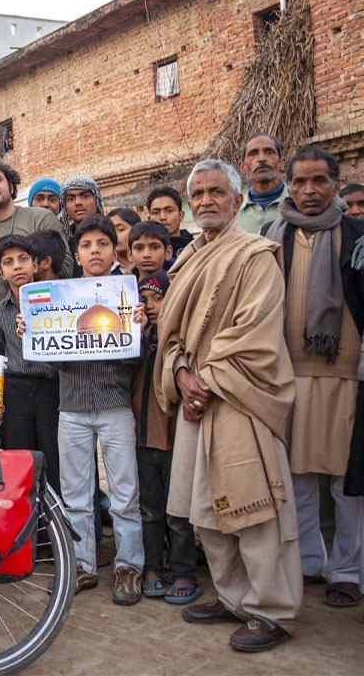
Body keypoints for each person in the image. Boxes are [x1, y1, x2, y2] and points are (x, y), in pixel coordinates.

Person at [154, 159, 301, 653]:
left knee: (251, 507)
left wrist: (204, 382)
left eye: (218, 191)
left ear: (237, 201)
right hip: (197, 395)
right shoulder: (189, 259)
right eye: (198, 194)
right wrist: (179, 375)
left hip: (240, 396)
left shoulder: (257, 255)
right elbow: (170, 335)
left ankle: (271, 609)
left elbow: (254, 333)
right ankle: (234, 598)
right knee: (204, 511)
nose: (206, 200)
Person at [17, 215, 145, 605]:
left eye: (102, 244)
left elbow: (139, 359)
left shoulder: (129, 294)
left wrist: (143, 327)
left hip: (115, 406)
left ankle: (128, 567)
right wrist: (33, 333)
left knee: (124, 495)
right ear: (77, 253)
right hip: (70, 407)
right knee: (75, 496)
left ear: (114, 250)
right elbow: (52, 358)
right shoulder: (59, 296)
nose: (94, 251)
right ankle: (82, 564)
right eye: (87, 245)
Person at [262, 146, 364, 609]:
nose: (308, 191)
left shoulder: (357, 234)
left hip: (347, 375)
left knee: (346, 481)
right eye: (299, 181)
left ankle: (346, 570)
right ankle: (308, 563)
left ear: (336, 184)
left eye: (319, 181)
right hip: (287, 375)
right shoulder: (270, 235)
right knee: (297, 478)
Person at [132, 271, 200, 605]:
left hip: (177, 439)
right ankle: (153, 567)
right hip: (143, 438)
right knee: (149, 509)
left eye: (158, 299)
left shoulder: (184, 338)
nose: (151, 306)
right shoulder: (132, 336)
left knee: (180, 512)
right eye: (144, 300)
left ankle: (185, 569)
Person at [0, 234, 59, 493]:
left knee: (53, 458)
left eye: (23, 259)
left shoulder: (57, 299)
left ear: (36, 264)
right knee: (19, 458)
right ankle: (26, 525)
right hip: (15, 389)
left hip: (51, 388)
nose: (17, 266)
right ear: (1, 272)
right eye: (8, 262)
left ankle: (55, 525)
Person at [0, 158, 71, 311]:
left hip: (39, 316)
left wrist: (11, 264)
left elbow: (66, 268)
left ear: (11, 187)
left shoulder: (41, 218)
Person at [237, 133, 288, 234]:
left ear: (281, 163)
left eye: (269, 152)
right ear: (242, 167)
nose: (261, 159)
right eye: (253, 154)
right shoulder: (234, 211)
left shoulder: (298, 203)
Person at [59, 175, 104, 250]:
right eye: (71, 199)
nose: (77, 203)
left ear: (97, 201)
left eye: (85, 196)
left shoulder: (112, 233)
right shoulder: (61, 241)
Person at [146, 185, 194, 256]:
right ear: (149, 220)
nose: (162, 217)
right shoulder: (144, 254)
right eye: (156, 212)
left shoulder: (195, 248)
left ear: (181, 215)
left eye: (169, 211)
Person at [107, 207, 141, 274]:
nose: (114, 235)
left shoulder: (152, 265)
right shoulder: (105, 272)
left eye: (120, 229)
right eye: (110, 231)